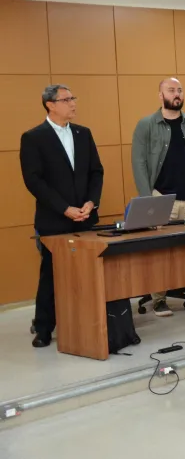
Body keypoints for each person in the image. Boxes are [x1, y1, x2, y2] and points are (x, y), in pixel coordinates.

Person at [20, 84, 104, 348]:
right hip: (55, 219)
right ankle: (44, 328)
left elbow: (96, 171)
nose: (73, 103)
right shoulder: (34, 137)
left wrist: (91, 202)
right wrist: (64, 208)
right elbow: (34, 181)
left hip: (85, 216)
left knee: (90, 272)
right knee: (51, 276)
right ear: (50, 104)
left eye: (73, 98)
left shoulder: (83, 133)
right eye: (66, 99)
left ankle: (90, 322)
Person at [132, 77, 185, 317]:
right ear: (160, 95)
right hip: (161, 197)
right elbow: (139, 163)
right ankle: (158, 299)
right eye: (171, 90)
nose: (176, 94)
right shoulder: (146, 125)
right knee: (161, 253)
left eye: (179, 90)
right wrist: (147, 200)